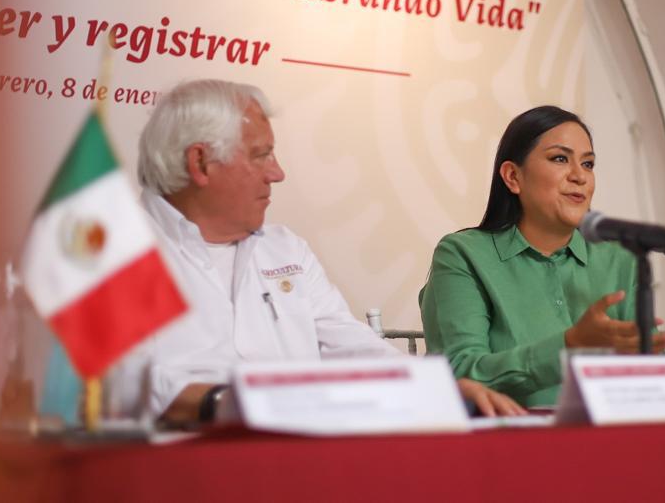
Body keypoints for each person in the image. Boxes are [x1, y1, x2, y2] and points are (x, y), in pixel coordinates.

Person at [119, 79, 522, 422]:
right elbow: (114, 383)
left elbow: (352, 348)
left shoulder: (284, 249)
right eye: (261, 155)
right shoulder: (113, 251)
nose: (278, 173)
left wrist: (438, 388)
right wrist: (225, 404)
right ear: (201, 163)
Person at [420, 106, 665, 408]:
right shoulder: (463, 255)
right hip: (510, 441)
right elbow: (461, 372)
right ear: (512, 176)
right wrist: (570, 344)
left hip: (608, 438)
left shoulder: (621, 260)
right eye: (560, 158)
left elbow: (643, 363)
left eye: (588, 163)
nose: (579, 176)